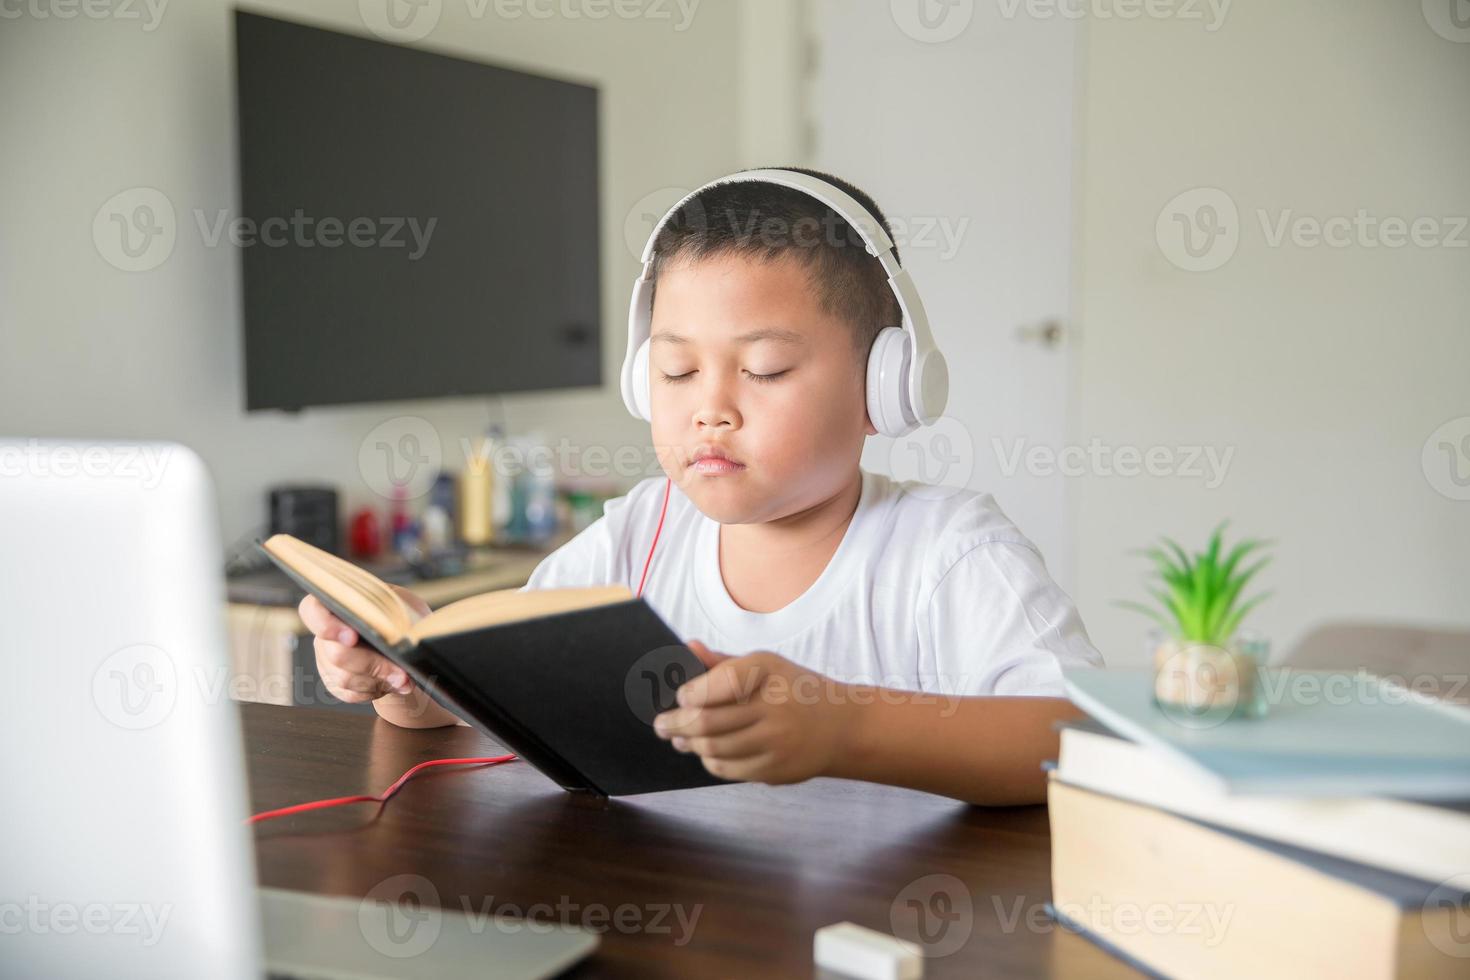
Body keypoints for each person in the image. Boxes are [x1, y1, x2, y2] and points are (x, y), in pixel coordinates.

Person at [299, 167, 1103, 805]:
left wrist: (844, 726)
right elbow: (496, 703)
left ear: (885, 385)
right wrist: (404, 684)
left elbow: (1074, 740)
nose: (709, 409)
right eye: (676, 370)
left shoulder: (949, 555)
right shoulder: (636, 534)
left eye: (764, 369)